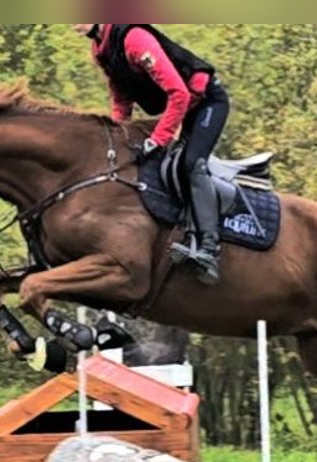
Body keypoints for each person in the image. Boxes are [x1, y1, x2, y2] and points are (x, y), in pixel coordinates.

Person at [74, 23, 229, 284]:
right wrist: (117, 134)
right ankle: (187, 236)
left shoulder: (134, 38)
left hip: (206, 101)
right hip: (183, 104)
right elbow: (121, 98)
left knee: (190, 164)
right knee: (164, 166)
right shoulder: (100, 49)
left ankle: (209, 249)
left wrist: (159, 139)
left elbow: (179, 93)